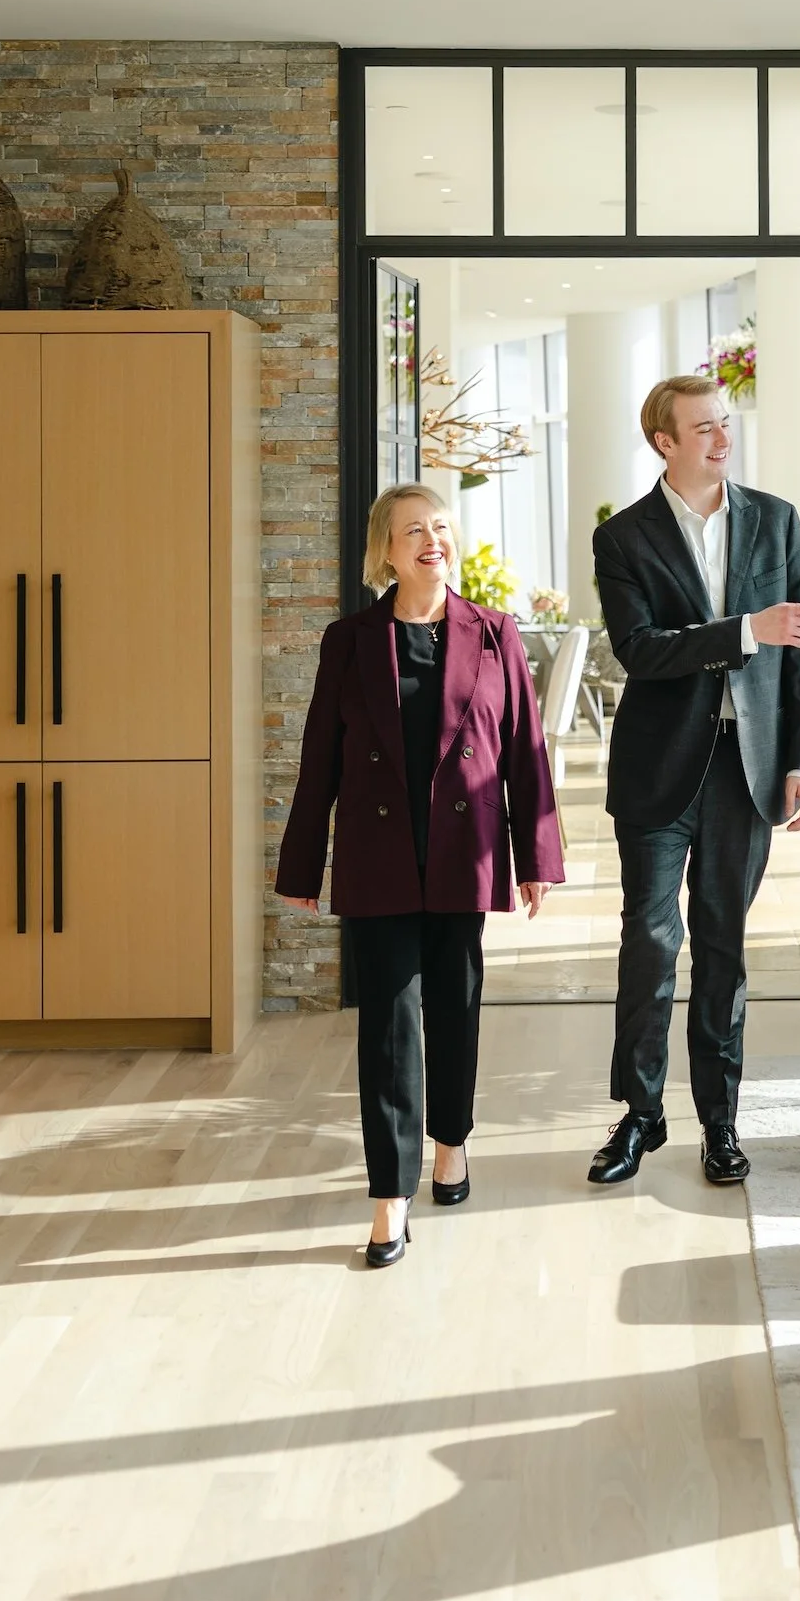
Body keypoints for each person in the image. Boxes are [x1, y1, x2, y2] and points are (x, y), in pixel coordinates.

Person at [277, 484, 563, 1267]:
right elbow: (319, 761)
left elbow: (525, 755)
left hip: (462, 852)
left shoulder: (497, 634)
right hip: (377, 855)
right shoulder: (350, 640)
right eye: (414, 531)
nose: (431, 540)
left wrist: (536, 857)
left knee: (455, 1006)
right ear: (387, 549)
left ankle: (452, 1145)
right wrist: (303, 859)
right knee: (388, 1029)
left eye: (441, 527)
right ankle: (389, 1198)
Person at [588, 374, 800, 1189]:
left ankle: (719, 1124)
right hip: (660, 771)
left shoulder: (776, 520)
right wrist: (742, 632)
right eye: (703, 429)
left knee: (723, 946)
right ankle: (641, 1115)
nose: (723, 440)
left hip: (746, 769)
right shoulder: (624, 538)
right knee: (650, 945)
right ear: (665, 442)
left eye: (725, 424)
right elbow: (642, 650)